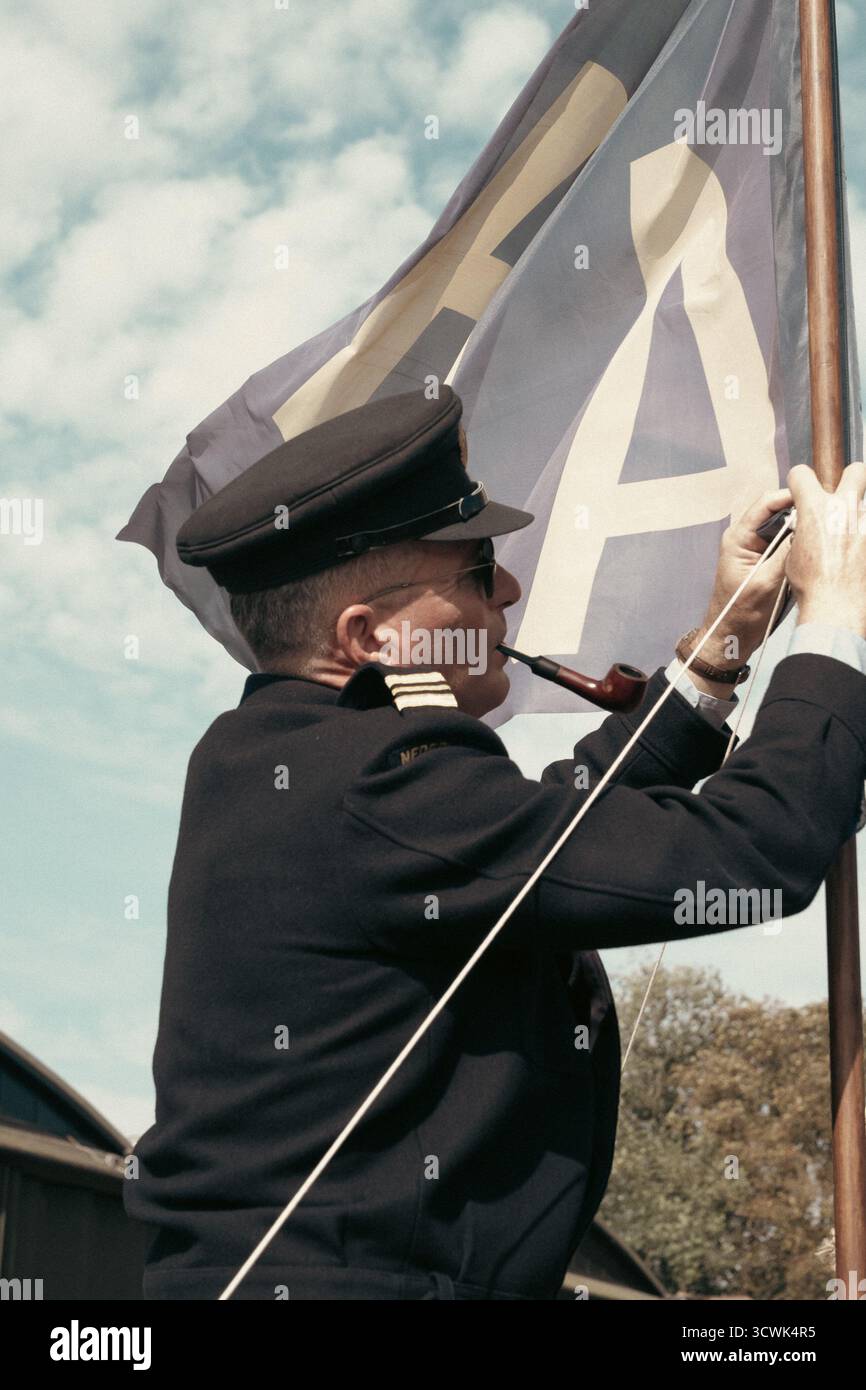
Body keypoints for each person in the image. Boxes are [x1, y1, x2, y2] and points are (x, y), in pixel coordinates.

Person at [124, 385, 866, 1300]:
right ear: (369, 637)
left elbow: (552, 831)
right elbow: (750, 853)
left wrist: (722, 645)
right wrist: (833, 624)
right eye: (478, 571)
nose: (508, 589)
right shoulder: (371, 781)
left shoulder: (295, 759)